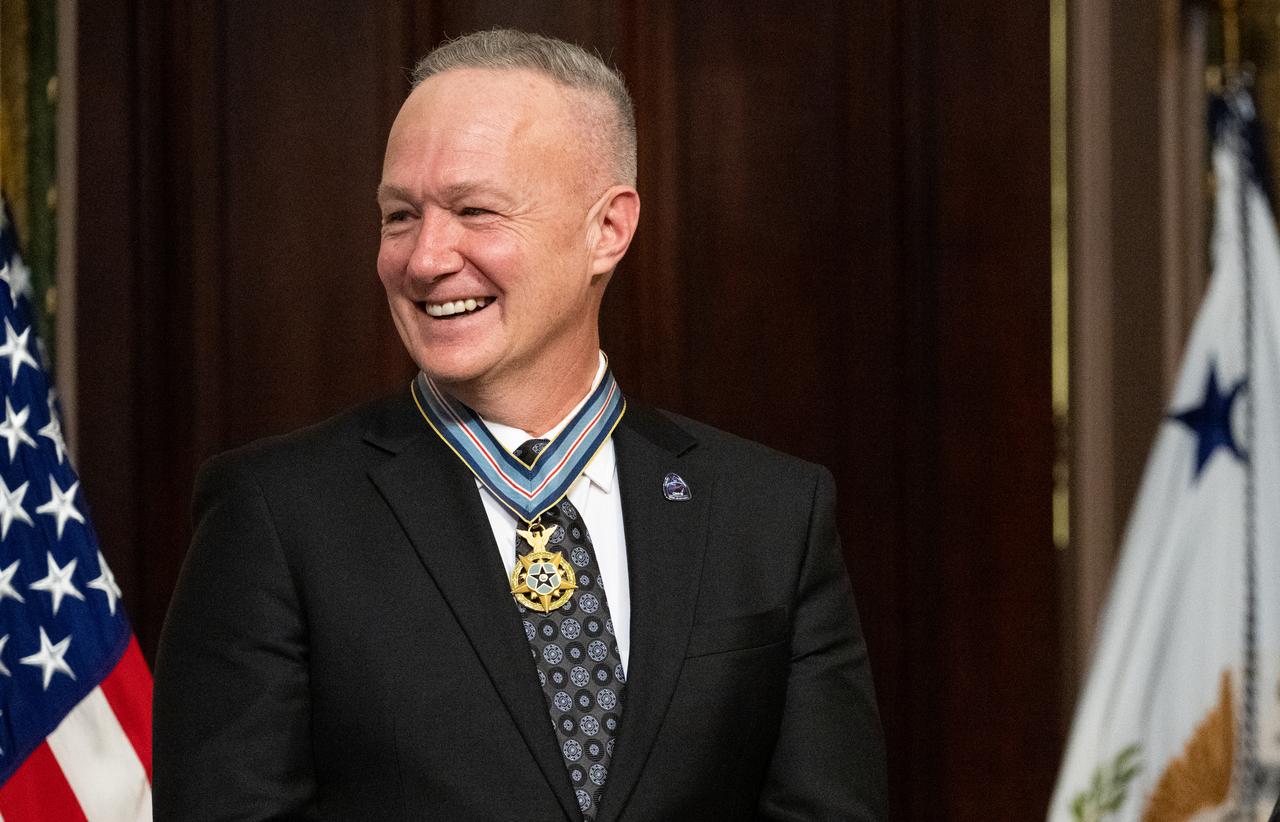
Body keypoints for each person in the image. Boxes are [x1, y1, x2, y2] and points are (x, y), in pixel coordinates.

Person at [153, 28, 886, 821]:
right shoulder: (275, 515)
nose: (426, 258)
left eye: (475, 210)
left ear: (608, 229)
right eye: (400, 216)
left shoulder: (771, 515)